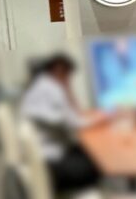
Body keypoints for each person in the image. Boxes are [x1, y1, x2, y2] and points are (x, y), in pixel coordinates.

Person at [20, 53, 104, 192]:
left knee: (85, 151)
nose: (69, 80)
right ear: (58, 70)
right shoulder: (51, 89)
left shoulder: (40, 86)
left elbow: (71, 115)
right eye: (68, 76)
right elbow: (73, 123)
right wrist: (99, 119)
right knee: (97, 165)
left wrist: (68, 90)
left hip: (42, 157)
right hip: (49, 164)